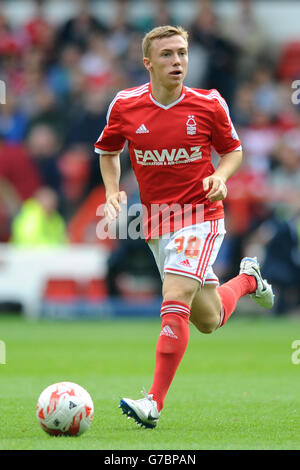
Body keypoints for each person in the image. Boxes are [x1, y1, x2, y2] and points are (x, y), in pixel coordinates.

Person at [94, 25, 274, 429]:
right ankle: (248, 279)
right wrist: (110, 192)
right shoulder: (125, 105)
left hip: (201, 216)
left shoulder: (210, 104)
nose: (177, 62)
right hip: (158, 223)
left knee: (174, 294)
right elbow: (108, 152)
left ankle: (152, 403)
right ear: (148, 63)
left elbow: (233, 151)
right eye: (167, 55)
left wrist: (221, 176)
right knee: (208, 319)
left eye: (182, 54)